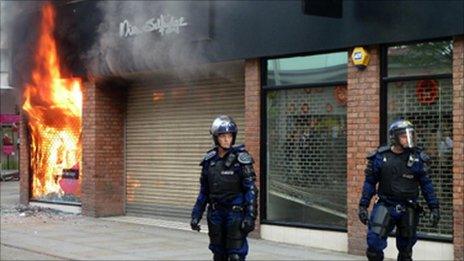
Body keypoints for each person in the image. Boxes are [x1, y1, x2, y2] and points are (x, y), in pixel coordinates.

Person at [358, 119, 440, 261]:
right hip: (386, 205)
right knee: (373, 247)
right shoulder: (380, 156)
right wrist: (363, 205)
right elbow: (370, 183)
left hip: (408, 207)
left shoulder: (418, 158)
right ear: (394, 137)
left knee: (406, 251)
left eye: (410, 135)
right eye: (403, 135)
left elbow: (427, 186)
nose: (408, 139)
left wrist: (434, 208)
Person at [190, 115, 258, 261]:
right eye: (223, 136)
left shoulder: (242, 159)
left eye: (230, 135)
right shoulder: (209, 161)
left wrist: (250, 216)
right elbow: (204, 192)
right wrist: (196, 214)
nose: (227, 139)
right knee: (218, 255)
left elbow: (251, 190)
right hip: (215, 214)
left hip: (235, 214)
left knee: (235, 256)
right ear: (216, 138)